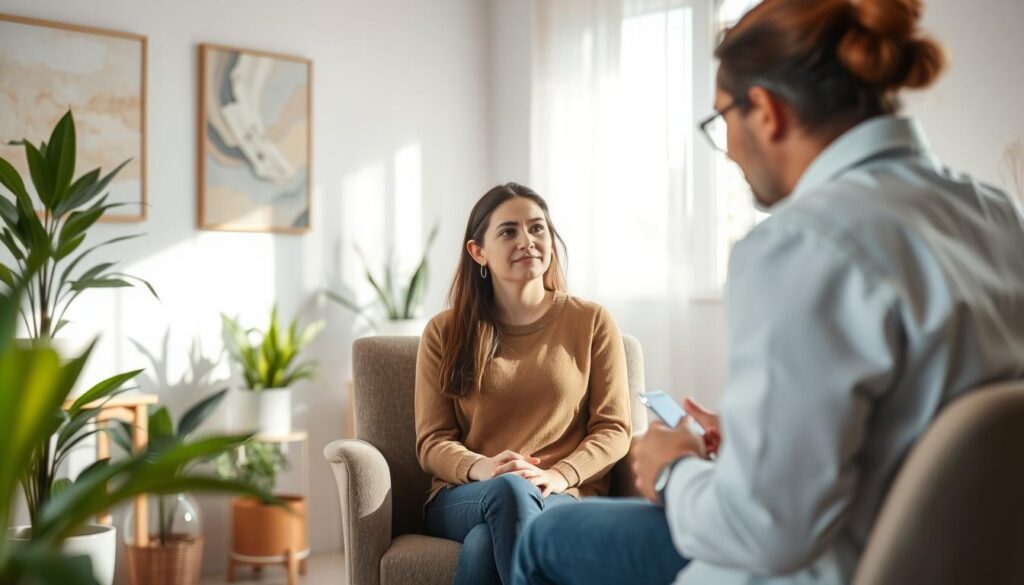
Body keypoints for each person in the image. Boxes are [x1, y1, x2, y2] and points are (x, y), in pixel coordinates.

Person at [512, 0, 1024, 583]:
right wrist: (754, 440)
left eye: (721, 119)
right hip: (957, 563)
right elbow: (919, 428)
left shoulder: (801, 244)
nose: (727, 148)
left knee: (547, 536)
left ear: (765, 111)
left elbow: (764, 529)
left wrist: (672, 469)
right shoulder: (995, 214)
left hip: (820, 568)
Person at [416, 182, 633, 585]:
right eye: (508, 231)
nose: (527, 241)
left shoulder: (591, 322)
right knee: (509, 491)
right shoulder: (444, 332)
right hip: (469, 493)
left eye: (537, 228)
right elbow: (432, 442)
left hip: (564, 494)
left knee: (483, 546)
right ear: (477, 252)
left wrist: (560, 474)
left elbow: (614, 428)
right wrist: (481, 467)